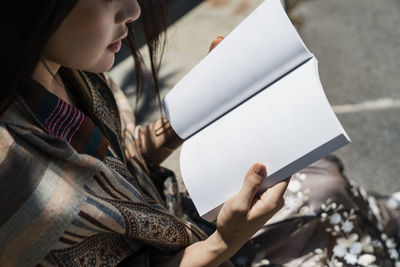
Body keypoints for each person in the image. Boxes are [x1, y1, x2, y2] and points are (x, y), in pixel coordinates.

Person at [0, 0, 398, 266]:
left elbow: (121, 160)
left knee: (320, 173)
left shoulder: (67, 70)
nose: (134, 9)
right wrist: (224, 241)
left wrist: (199, 108)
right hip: (193, 250)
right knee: (324, 197)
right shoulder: (19, 184)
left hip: (175, 224)